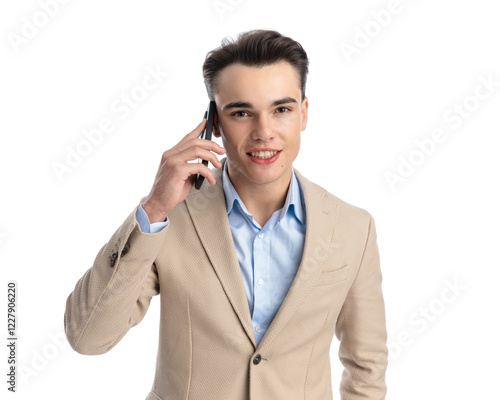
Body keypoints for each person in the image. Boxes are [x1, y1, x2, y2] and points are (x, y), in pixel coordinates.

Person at [64, 29, 388, 400]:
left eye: (281, 109)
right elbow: (87, 337)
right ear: (213, 122)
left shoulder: (352, 228)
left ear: (304, 114)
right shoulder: (169, 219)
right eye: (241, 112)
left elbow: (366, 367)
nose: (264, 132)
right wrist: (154, 206)